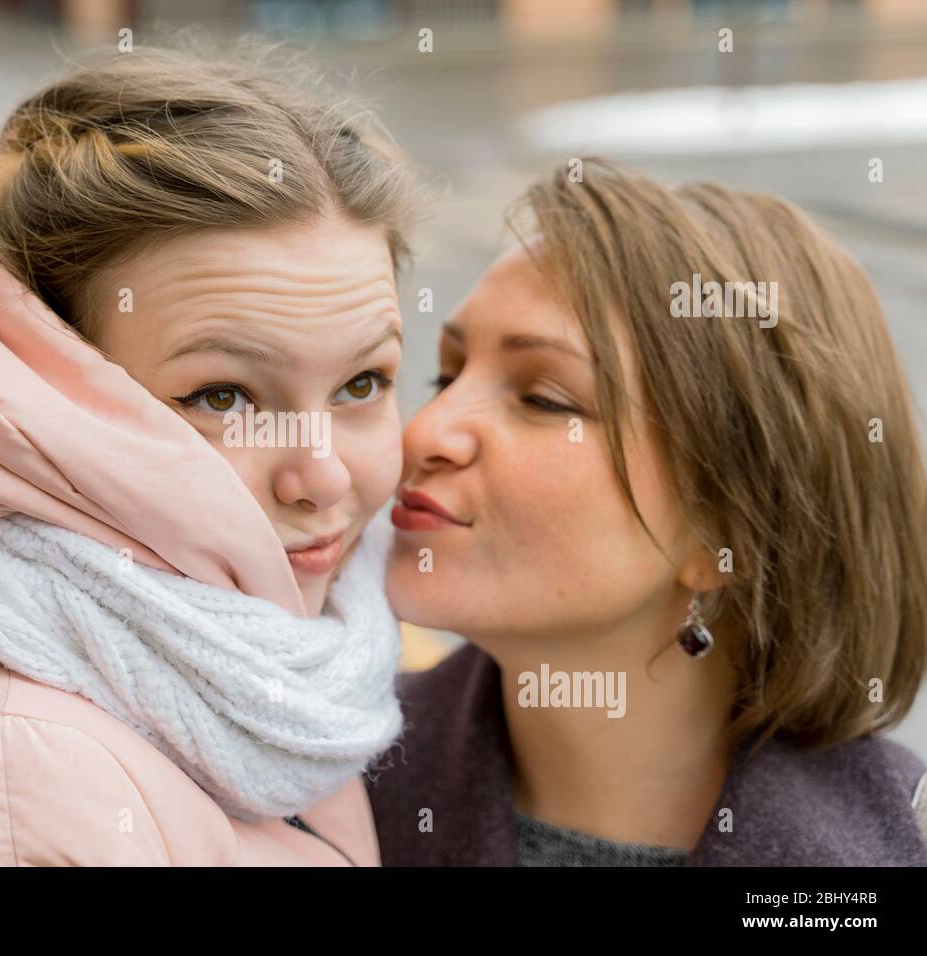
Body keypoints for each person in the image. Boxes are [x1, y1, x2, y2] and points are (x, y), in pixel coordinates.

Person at [0, 44, 417, 865]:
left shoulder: (253, 656)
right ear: (41, 404)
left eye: (362, 383)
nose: (323, 478)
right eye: (223, 397)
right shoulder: (6, 795)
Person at [370, 158, 927, 866]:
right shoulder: (309, 798)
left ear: (731, 531)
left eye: (545, 399)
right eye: (443, 376)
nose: (421, 433)